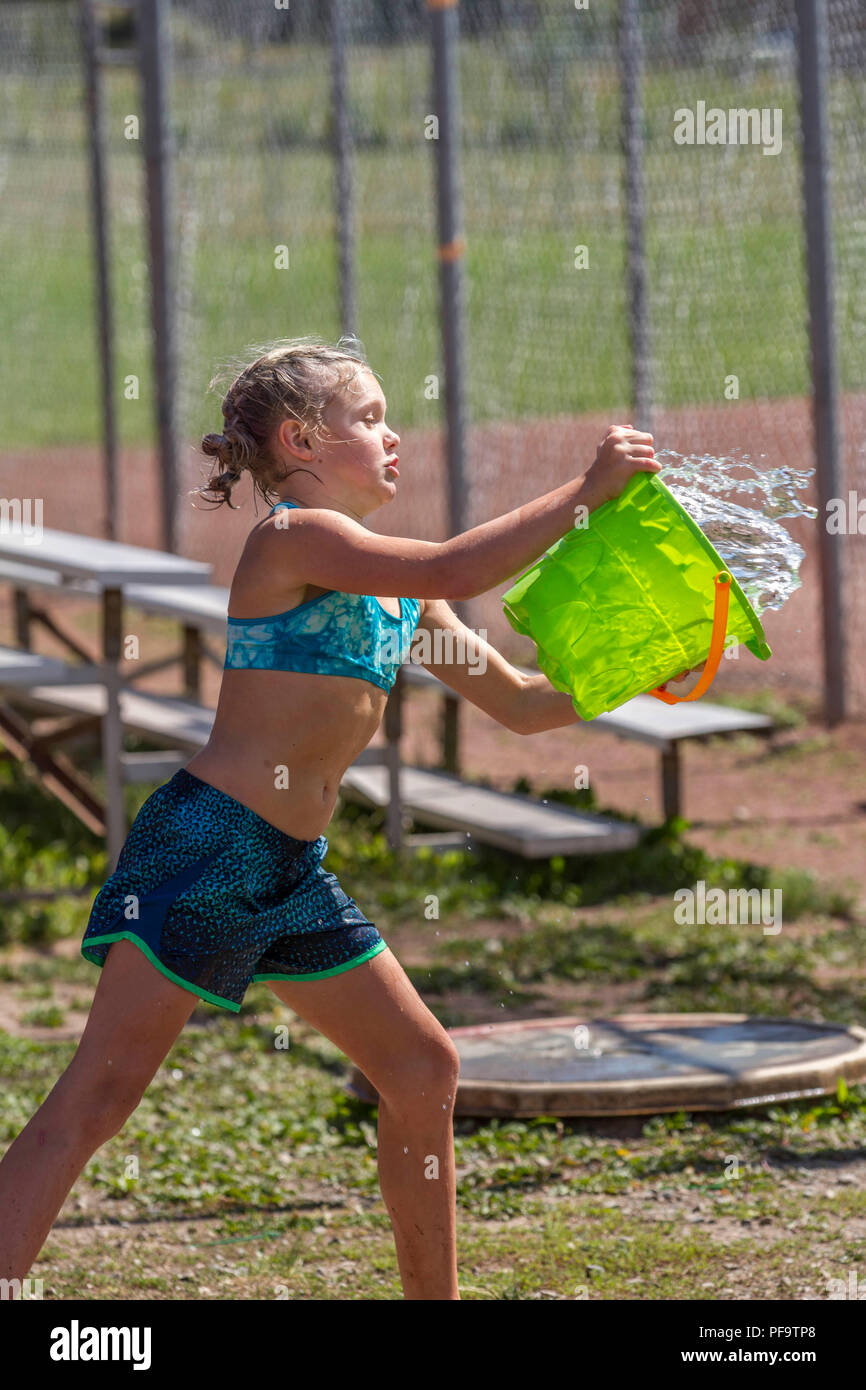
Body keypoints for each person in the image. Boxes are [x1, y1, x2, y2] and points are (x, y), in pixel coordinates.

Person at [0, 334, 692, 1301]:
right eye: (367, 418)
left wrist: (643, 668)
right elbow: (454, 565)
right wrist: (584, 493)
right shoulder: (294, 540)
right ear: (301, 441)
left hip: (288, 868)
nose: (392, 434)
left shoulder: (397, 596)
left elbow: (526, 705)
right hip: (206, 850)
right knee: (98, 1098)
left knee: (419, 1066)